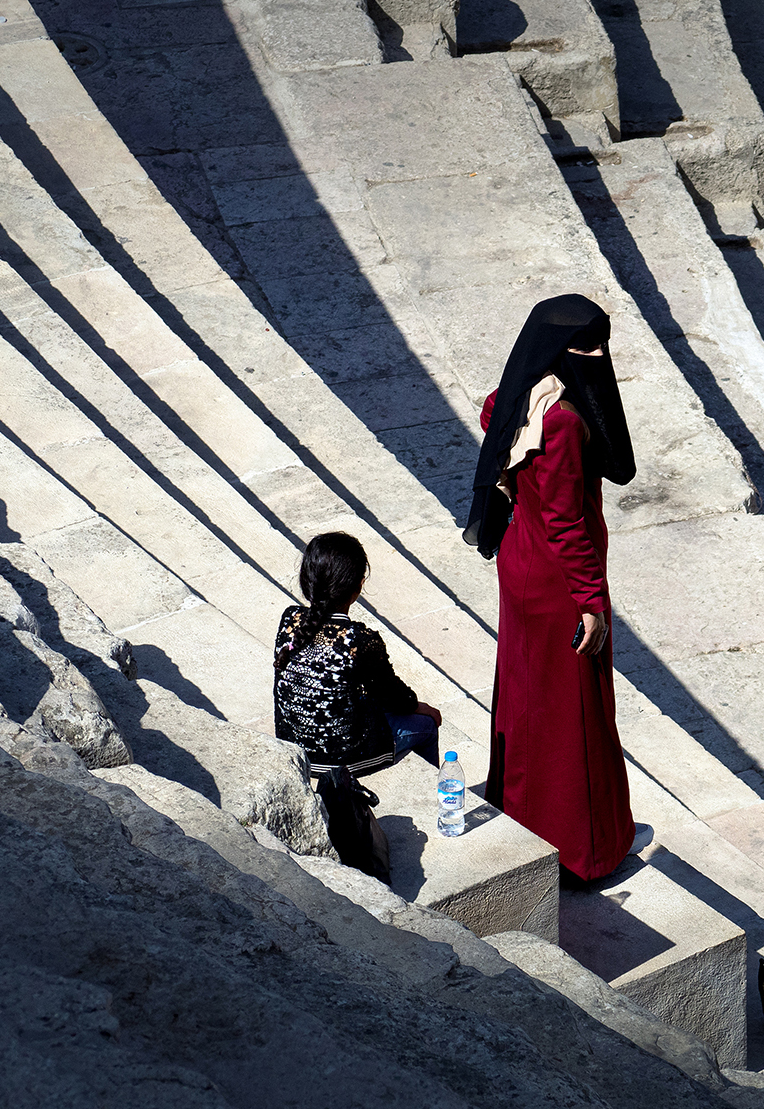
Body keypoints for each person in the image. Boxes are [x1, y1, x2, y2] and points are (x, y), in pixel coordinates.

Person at [464, 294, 652, 881]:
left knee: (526, 699)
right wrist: (592, 601)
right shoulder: (564, 422)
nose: (599, 356)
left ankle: (522, 815)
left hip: (520, 562)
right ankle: (584, 852)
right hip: (558, 582)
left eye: (603, 344)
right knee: (576, 712)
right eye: (588, 346)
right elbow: (569, 523)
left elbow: (493, 422)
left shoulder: (520, 395)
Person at [274, 531, 442, 777]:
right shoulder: (360, 640)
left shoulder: (289, 619)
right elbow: (395, 698)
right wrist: (421, 706)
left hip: (295, 747)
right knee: (427, 726)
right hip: (341, 758)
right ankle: (436, 798)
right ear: (358, 586)